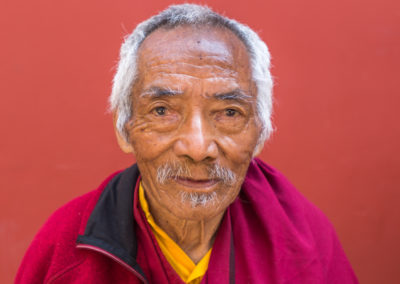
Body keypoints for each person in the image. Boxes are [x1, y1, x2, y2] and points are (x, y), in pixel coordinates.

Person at [15, 4, 358, 284]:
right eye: (163, 110)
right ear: (125, 127)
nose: (197, 147)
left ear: (260, 133)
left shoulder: (304, 242)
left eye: (228, 112)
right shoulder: (65, 250)